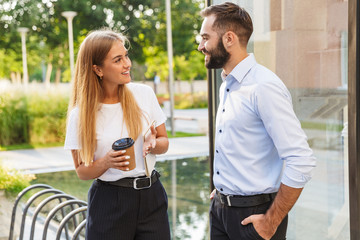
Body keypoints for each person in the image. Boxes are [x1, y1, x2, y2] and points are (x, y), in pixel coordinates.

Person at [197, 3, 316, 240]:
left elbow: (301, 160)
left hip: (254, 216)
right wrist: (225, 186)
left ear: (228, 39)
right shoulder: (228, 85)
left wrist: (271, 221)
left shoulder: (263, 86)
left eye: (205, 38)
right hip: (221, 210)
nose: (201, 46)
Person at [64, 29, 171, 240]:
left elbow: (164, 142)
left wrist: (153, 144)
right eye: (118, 59)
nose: (127, 63)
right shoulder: (81, 115)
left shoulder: (143, 94)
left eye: (126, 56)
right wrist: (106, 162)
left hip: (152, 197)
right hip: (110, 202)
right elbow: (81, 171)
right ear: (98, 69)